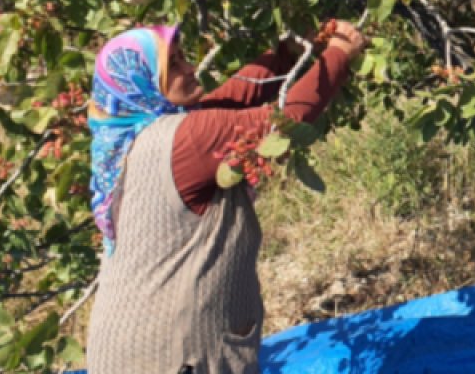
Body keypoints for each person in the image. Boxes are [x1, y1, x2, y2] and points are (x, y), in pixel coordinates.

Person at [84, 21, 367, 374]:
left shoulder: (126, 140)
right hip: (173, 355)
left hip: (118, 352)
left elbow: (233, 95)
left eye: (183, 58)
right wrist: (340, 53)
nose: (189, 68)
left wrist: (284, 56)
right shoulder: (185, 137)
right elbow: (286, 121)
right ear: (144, 80)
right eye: (172, 65)